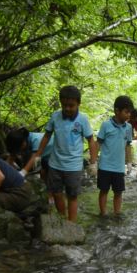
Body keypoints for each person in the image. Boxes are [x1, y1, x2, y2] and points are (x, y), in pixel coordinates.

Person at [27, 85, 97, 222]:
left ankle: (71, 223)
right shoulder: (55, 117)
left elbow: (90, 140)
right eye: (64, 105)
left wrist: (93, 163)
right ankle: (63, 218)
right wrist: (38, 154)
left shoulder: (83, 120)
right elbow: (46, 136)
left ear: (78, 103)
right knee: (57, 193)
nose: (67, 109)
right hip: (55, 164)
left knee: (72, 196)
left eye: (71, 105)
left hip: (74, 166)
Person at [96, 96, 134, 216]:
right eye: (126, 112)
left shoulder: (128, 127)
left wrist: (129, 162)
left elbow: (128, 145)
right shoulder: (106, 125)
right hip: (105, 166)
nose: (129, 115)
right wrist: (93, 161)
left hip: (119, 167)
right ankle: (103, 214)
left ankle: (117, 213)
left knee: (118, 192)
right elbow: (98, 143)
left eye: (130, 112)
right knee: (104, 190)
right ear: (117, 111)